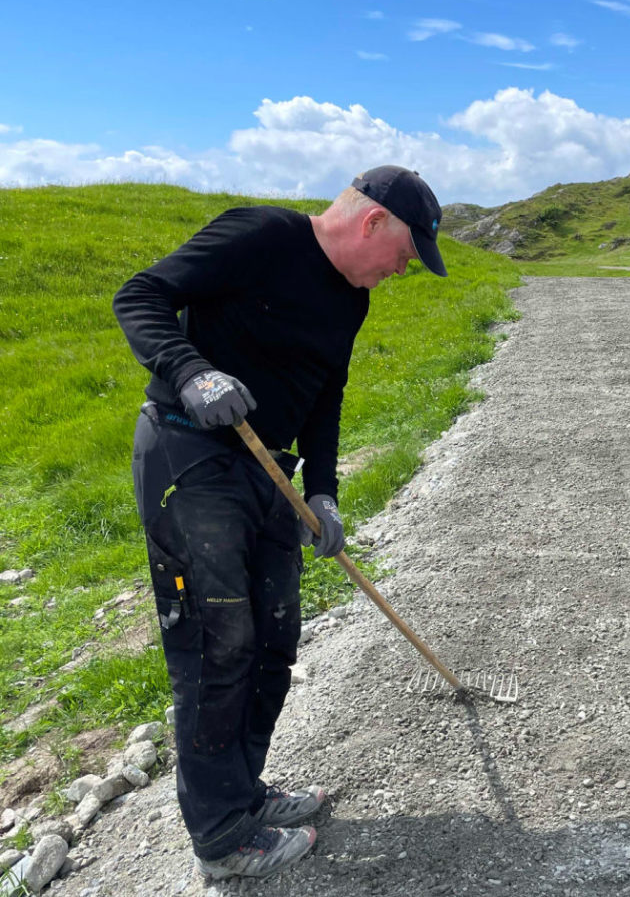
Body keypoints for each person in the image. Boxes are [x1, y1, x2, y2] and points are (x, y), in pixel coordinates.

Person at [112, 166, 447, 881]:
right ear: (372, 223)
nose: (401, 270)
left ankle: (245, 798)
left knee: (273, 638)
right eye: (405, 254)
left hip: (270, 475)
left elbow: (327, 394)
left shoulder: (351, 301)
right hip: (191, 455)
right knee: (218, 642)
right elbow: (140, 295)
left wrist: (323, 493)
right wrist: (192, 371)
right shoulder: (262, 234)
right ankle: (221, 841)